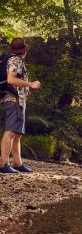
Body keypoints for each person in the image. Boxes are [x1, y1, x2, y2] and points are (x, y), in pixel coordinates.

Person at [0, 38, 41, 174]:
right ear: (24, 51)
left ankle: (18, 164)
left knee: (17, 134)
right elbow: (11, 79)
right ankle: (4, 164)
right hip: (13, 100)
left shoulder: (14, 60)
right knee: (11, 131)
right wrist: (31, 84)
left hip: (18, 100)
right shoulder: (16, 60)